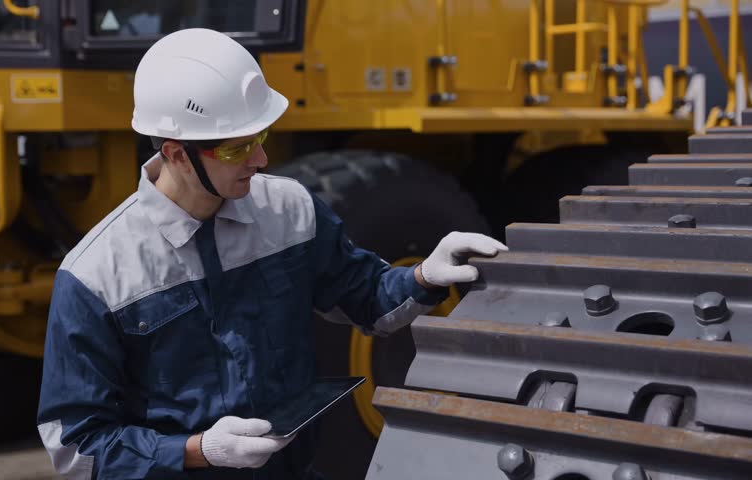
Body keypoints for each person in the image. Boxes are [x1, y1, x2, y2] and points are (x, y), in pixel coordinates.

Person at [36, 28, 507, 480]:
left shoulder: (290, 210)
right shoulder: (97, 276)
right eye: (239, 147)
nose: (260, 160)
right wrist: (199, 452)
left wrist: (424, 276)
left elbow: (366, 299)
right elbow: (77, 447)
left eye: (259, 138)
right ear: (178, 154)